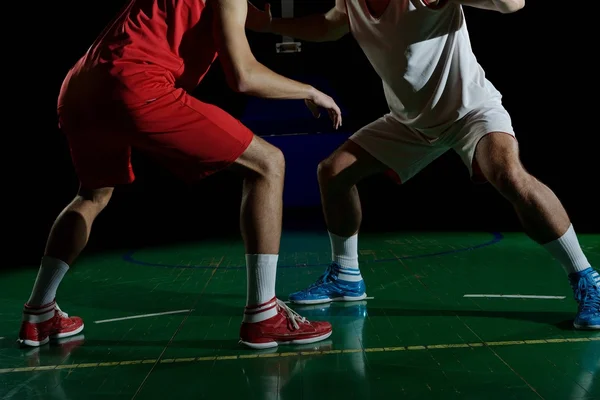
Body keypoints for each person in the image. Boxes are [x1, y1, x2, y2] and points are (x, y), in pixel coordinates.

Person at [246, 0, 599, 329]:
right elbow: (330, 25)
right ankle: (346, 275)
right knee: (333, 172)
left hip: (470, 111)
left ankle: (587, 278)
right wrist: (269, 23)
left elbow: (512, 3)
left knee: (509, 175)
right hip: (409, 122)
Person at [18, 0, 343, 349]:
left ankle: (39, 311)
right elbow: (243, 76)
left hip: (81, 86)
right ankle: (264, 316)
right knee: (268, 163)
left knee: (93, 195)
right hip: (135, 82)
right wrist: (309, 90)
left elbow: (255, 23)